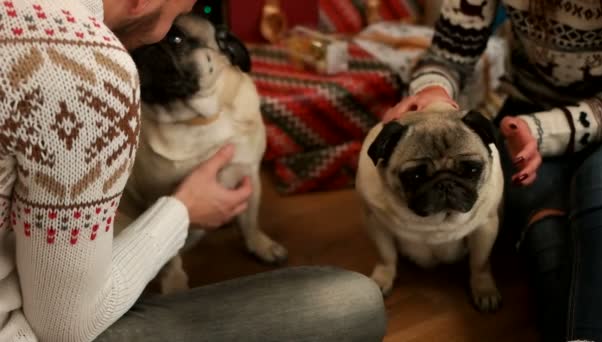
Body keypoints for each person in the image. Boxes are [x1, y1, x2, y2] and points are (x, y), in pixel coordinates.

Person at [0, 0, 387, 341]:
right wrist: (182, 211)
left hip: (38, 272)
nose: (168, 32)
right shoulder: (85, 70)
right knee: (355, 302)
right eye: (182, 9)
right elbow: (66, 328)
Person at [383, 0, 602, 341]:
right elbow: (447, 56)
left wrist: (546, 131)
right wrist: (433, 89)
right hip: (524, 114)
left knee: (598, 207)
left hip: (566, 124)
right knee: (546, 243)